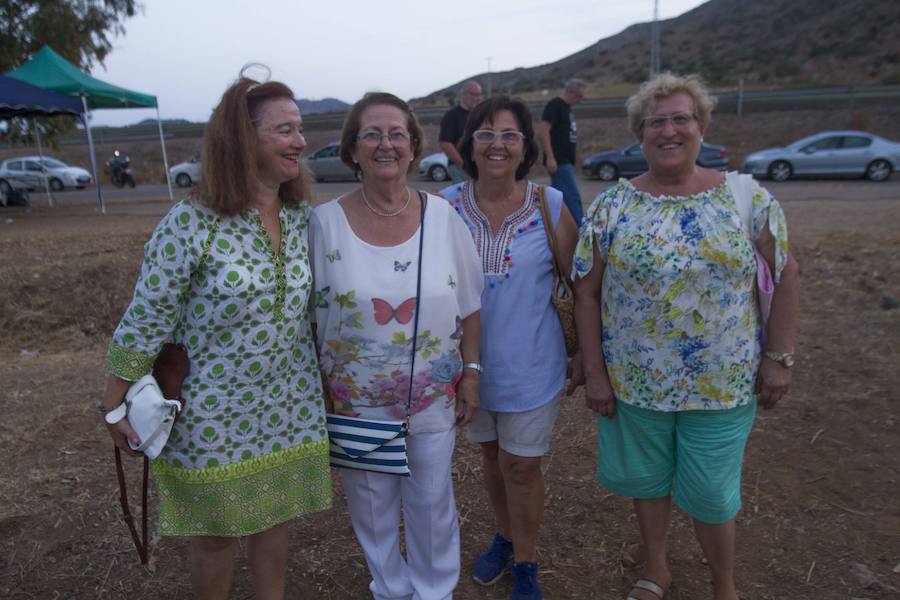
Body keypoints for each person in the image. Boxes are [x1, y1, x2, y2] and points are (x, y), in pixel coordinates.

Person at [100, 75, 332, 600]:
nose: (299, 141)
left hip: (289, 405)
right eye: (284, 130)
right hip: (212, 414)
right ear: (242, 139)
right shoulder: (191, 223)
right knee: (215, 536)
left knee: (275, 521)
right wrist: (113, 402)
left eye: (300, 129)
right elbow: (148, 315)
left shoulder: (302, 219)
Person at [572, 73, 800, 600]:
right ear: (640, 134)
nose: (668, 130)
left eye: (681, 119)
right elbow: (586, 293)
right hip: (636, 382)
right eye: (655, 122)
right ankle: (656, 567)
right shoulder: (612, 205)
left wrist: (780, 357)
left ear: (702, 128)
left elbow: (786, 272)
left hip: (722, 383)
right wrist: (595, 374)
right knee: (647, 480)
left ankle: (724, 586)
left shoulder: (746, 198)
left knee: (713, 494)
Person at [310, 91, 484, 600]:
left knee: (431, 502)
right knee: (371, 508)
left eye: (396, 134)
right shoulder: (323, 223)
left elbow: (471, 303)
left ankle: (434, 591)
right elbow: (305, 314)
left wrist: (472, 372)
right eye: (372, 134)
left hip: (431, 396)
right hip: (353, 401)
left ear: (412, 146)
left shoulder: (444, 217)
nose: (385, 144)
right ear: (352, 149)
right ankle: (390, 589)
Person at [441, 96, 579, 600]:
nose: (497, 144)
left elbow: (580, 284)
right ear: (470, 145)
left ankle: (525, 559)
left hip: (533, 364)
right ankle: (504, 534)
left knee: (521, 465)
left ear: (525, 147)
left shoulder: (549, 205)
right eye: (485, 133)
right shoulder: (444, 206)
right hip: (468, 367)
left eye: (509, 135)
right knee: (492, 455)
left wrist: (586, 354)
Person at [537, 78, 587, 226]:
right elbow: (543, 130)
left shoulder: (567, 108)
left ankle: (561, 229)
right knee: (571, 199)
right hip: (559, 161)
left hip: (566, 160)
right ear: (570, 92)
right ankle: (581, 231)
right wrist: (550, 157)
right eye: (579, 97)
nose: (580, 101)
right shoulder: (555, 105)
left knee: (560, 200)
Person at [439, 79, 484, 183]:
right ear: (464, 95)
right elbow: (445, 143)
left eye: (480, 95)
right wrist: (463, 164)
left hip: (478, 168)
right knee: (465, 193)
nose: (478, 98)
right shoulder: (452, 116)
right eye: (475, 95)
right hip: (461, 169)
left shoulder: (479, 116)